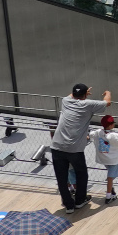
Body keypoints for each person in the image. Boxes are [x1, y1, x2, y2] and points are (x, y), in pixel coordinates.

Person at [50, 82, 111, 211]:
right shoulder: (88, 104)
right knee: (81, 174)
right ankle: (79, 200)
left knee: (61, 178)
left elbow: (72, 95)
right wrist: (108, 93)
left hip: (56, 146)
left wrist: (82, 93)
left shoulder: (65, 101)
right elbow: (107, 102)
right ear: (85, 95)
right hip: (74, 149)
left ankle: (68, 206)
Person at [95, 115, 118, 203]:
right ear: (110, 125)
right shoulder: (113, 135)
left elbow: (90, 135)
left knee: (110, 175)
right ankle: (108, 196)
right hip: (113, 160)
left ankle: (111, 190)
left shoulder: (98, 132)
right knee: (110, 178)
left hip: (104, 158)